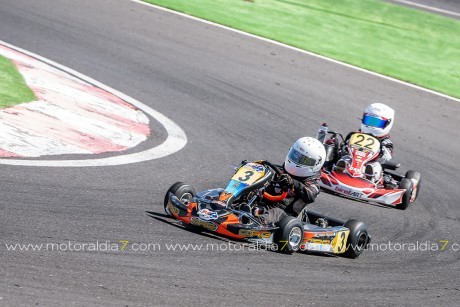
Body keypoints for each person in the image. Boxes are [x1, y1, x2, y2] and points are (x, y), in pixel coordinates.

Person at [252, 137, 326, 225]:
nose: (297, 160)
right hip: (265, 205)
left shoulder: (312, 184)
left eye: (304, 159)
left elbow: (310, 195)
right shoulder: (279, 171)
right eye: (296, 155)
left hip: (286, 214)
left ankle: (257, 223)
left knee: (276, 212)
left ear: (316, 164)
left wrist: (293, 183)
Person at [336, 103, 395, 185]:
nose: (371, 125)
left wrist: (382, 151)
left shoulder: (386, 142)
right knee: (346, 159)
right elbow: (344, 148)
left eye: (376, 122)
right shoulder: (355, 135)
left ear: (387, 124)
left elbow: (386, 158)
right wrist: (344, 148)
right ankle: (339, 170)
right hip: (352, 160)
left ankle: (369, 178)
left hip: (370, 164)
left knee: (374, 166)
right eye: (369, 121)